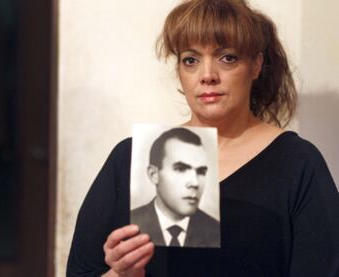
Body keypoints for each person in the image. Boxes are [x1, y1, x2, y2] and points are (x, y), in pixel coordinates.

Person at [67, 0, 339, 276]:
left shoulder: (297, 163)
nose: (207, 76)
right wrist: (120, 274)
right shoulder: (130, 158)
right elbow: (81, 270)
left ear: (256, 65)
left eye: (227, 58)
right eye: (191, 60)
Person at [131, 127, 220, 248]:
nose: (195, 183)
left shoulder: (215, 231)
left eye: (201, 172)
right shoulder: (131, 225)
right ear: (154, 175)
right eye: (181, 169)